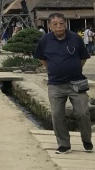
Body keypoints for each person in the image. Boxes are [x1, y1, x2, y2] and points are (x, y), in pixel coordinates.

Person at [33, 13, 92, 154]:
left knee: (83, 113)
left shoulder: (75, 38)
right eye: (55, 24)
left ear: (65, 24)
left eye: (61, 23)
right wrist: (52, 69)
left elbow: (83, 57)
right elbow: (41, 58)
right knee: (57, 114)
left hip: (77, 81)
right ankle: (64, 144)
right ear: (49, 26)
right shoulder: (45, 40)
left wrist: (74, 68)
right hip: (55, 84)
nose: (59, 27)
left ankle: (87, 140)